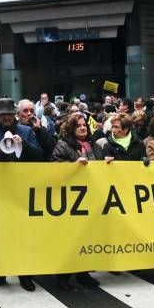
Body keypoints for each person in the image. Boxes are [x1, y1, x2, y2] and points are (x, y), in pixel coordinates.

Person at [0, 98, 42, 292]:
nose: (6, 117)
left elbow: (39, 155)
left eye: (9, 113)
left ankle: (25, 274)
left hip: (22, 190)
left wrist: (24, 145)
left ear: (14, 114)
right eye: (2, 114)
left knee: (24, 234)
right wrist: (0, 151)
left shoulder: (26, 131)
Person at [50, 113, 100, 291]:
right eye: (78, 125)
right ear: (71, 128)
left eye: (84, 125)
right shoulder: (63, 145)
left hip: (90, 197)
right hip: (72, 200)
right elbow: (54, 167)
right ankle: (63, 277)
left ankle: (83, 273)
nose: (82, 127)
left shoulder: (92, 144)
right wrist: (73, 165)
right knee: (70, 239)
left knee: (86, 237)